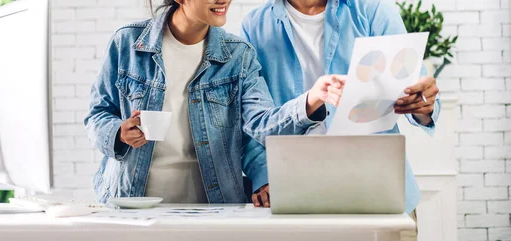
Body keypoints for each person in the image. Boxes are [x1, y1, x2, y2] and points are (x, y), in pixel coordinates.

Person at [84, 0, 347, 205]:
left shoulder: (238, 55)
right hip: (134, 203)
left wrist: (312, 98)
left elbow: (261, 124)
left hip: (211, 206)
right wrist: (119, 133)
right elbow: (98, 114)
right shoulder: (128, 43)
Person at [241, 0, 441, 239]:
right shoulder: (254, 26)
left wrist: (423, 105)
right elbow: (250, 118)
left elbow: (416, 92)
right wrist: (263, 177)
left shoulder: (373, 11)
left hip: (379, 192)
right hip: (295, 193)